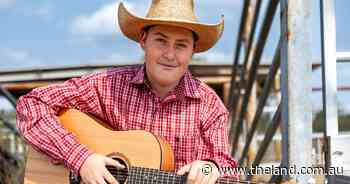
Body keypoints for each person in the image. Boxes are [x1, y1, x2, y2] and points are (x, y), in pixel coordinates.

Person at [16, 0, 237, 183]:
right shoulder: (108, 85)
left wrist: (211, 168)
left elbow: (226, 166)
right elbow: (31, 104)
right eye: (161, 41)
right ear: (143, 40)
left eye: (181, 45)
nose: (170, 54)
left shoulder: (209, 105)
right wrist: (81, 159)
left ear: (193, 50)